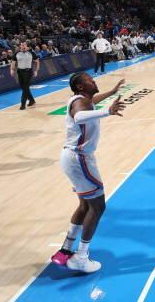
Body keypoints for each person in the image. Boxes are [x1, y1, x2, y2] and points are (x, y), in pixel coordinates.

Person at [50, 74, 125, 273]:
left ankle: (65, 250)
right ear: (81, 86)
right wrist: (107, 112)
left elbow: (91, 103)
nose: (95, 81)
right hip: (80, 159)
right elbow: (79, 116)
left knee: (85, 205)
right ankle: (81, 257)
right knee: (98, 206)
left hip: (72, 158)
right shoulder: (79, 104)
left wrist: (112, 92)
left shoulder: (81, 100)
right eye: (91, 80)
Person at [10, 42, 40, 110]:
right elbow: (13, 62)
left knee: (25, 87)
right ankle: (31, 100)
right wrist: (12, 70)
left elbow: (37, 62)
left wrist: (36, 70)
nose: (23, 46)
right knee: (23, 87)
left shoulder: (31, 53)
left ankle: (23, 104)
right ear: (20, 46)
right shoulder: (17, 53)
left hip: (28, 72)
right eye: (22, 45)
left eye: (24, 45)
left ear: (26, 46)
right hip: (20, 72)